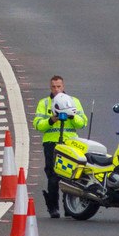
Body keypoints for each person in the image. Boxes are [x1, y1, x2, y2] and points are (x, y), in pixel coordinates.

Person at [32, 76, 88, 219]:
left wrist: (71, 116)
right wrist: (52, 120)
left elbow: (82, 123)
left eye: (59, 86)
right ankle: (53, 208)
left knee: (72, 175)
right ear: (50, 88)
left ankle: (70, 208)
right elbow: (37, 124)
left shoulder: (73, 101)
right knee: (53, 175)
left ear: (63, 86)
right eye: (53, 87)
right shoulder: (44, 103)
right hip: (52, 143)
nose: (56, 89)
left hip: (70, 143)